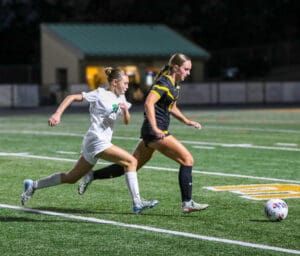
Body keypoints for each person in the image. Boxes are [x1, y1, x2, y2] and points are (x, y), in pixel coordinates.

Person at [78, 53, 209, 213]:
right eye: (186, 69)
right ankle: (187, 203)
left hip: (151, 132)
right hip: (155, 132)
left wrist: (186, 121)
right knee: (187, 160)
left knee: (132, 165)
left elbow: (172, 107)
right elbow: (148, 103)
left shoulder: (175, 84)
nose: (188, 73)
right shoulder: (164, 82)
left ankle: (91, 175)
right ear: (176, 68)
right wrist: (155, 128)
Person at [21, 67, 158, 214]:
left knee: (71, 177)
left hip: (94, 142)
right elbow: (71, 97)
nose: (127, 86)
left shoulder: (121, 97)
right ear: (115, 82)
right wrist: (57, 114)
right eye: (124, 83)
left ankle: (33, 185)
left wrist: (124, 111)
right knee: (131, 161)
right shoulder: (99, 94)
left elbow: (126, 121)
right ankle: (137, 202)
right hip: (96, 139)